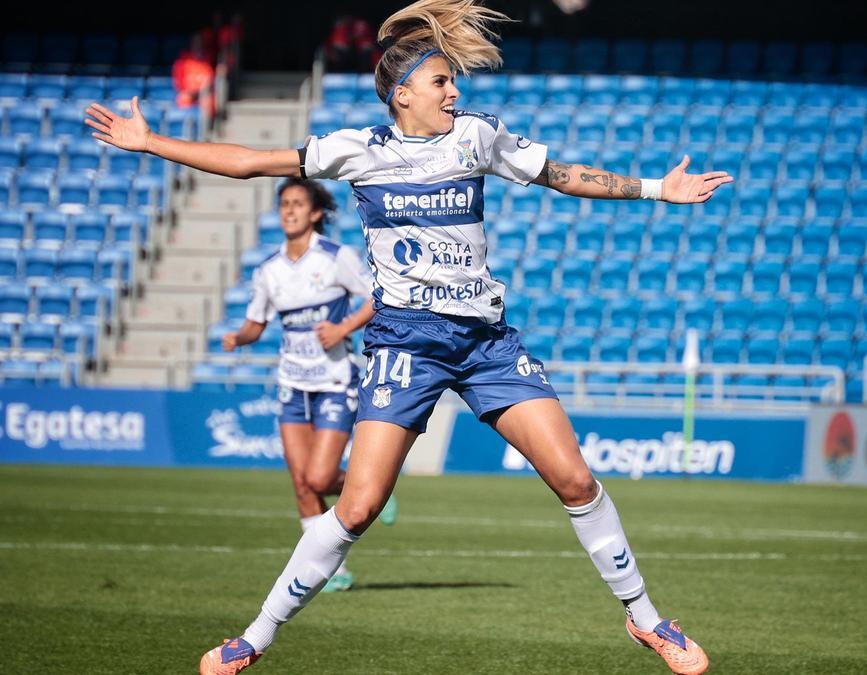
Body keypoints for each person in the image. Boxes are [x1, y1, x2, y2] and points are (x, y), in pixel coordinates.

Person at [84, 1, 732, 672]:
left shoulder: (476, 137)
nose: (455, 93)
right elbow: (250, 161)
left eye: (453, 82)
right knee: (358, 507)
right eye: (441, 83)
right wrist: (151, 141)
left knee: (576, 480)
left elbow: (559, 175)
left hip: (487, 342)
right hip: (405, 345)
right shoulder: (356, 150)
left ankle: (649, 621)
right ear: (402, 95)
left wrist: (658, 189)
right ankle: (254, 636)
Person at [221, 178, 397, 593]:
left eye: (298, 203)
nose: (290, 211)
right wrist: (238, 337)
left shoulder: (336, 257)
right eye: (285, 204)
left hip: (335, 380)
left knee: (319, 478)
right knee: (301, 483)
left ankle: (375, 490)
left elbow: (379, 296)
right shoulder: (269, 270)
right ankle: (332, 572)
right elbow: (256, 322)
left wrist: (343, 328)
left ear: (315, 212)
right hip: (291, 383)